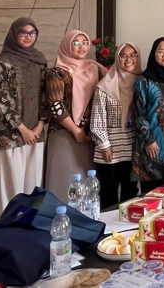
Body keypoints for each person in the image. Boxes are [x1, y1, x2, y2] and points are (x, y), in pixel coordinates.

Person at [0, 17, 48, 215]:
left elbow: (46, 94)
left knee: (33, 181)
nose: (28, 37)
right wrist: (23, 129)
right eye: (23, 33)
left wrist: (39, 126)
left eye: (32, 33)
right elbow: (0, 100)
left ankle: (29, 221)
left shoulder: (39, 60)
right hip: (10, 134)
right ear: (14, 34)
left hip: (35, 132)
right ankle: (8, 222)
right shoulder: (2, 63)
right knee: (11, 183)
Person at [45, 30, 107, 201]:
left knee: (87, 179)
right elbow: (55, 105)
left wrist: (90, 129)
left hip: (89, 134)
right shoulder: (57, 73)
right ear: (67, 45)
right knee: (64, 178)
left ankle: (86, 218)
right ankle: (60, 216)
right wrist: (75, 130)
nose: (81, 47)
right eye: (76, 43)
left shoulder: (96, 68)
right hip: (64, 132)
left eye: (85, 42)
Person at [90, 42, 141, 208]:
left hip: (133, 147)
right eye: (123, 55)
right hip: (110, 148)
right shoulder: (105, 85)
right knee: (109, 192)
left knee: (130, 192)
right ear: (117, 58)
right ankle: (107, 231)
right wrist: (105, 145)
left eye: (133, 55)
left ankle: (127, 231)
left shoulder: (142, 83)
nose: (128, 59)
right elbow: (97, 118)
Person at [131, 37, 164, 192]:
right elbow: (138, 113)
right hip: (153, 144)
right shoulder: (144, 80)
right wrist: (148, 140)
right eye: (161, 51)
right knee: (152, 195)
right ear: (154, 53)